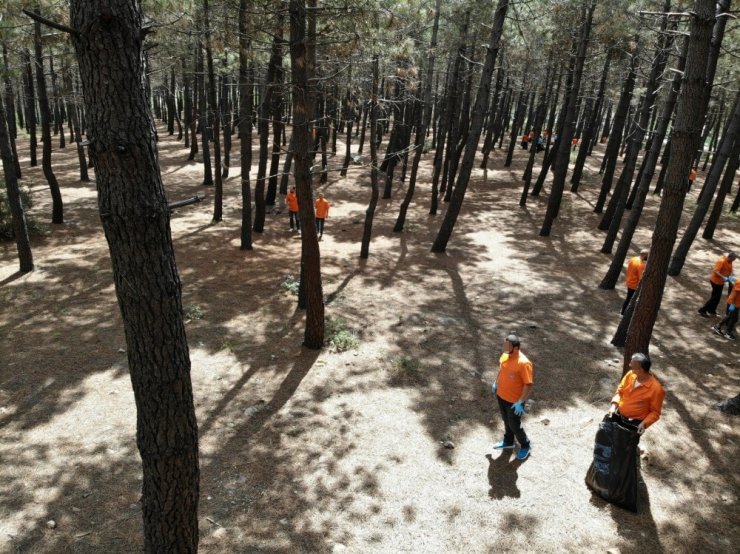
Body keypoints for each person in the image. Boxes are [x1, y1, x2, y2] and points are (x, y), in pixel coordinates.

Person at [491, 333, 533, 461]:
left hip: (514, 402)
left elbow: (528, 384)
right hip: (501, 396)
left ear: (515, 348)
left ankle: (526, 445)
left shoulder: (524, 363)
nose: (504, 347)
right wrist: (496, 382)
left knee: (515, 425)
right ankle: (508, 441)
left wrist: (521, 401)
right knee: (506, 420)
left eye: (507, 345)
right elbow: (501, 369)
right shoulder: (504, 355)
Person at [608, 353, 665, 436]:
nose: (629, 365)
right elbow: (620, 391)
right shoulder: (630, 375)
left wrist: (644, 423)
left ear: (641, 370)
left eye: (632, 365)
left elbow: (655, 413)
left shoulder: (656, 389)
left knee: (626, 445)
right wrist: (613, 406)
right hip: (618, 415)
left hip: (634, 424)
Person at [698, 251, 736, 317]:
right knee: (715, 297)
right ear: (729, 257)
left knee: (717, 297)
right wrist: (723, 277)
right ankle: (702, 310)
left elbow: (730, 270)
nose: (733, 261)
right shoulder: (721, 261)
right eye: (733, 259)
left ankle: (712, 310)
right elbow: (715, 271)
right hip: (715, 281)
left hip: (721, 282)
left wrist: (730, 277)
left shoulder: (730, 262)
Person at [622, 249, 648, 315]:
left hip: (629, 281)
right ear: (644, 255)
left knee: (628, 298)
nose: (648, 257)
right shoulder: (641, 265)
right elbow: (641, 277)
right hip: (634, 284)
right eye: (647, 256)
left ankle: (623, 311)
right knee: (630, 299)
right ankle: (625, 312)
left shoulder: (633, 259)